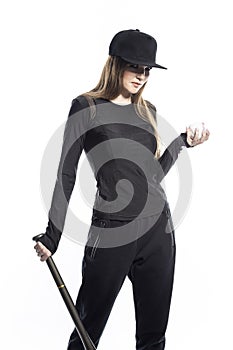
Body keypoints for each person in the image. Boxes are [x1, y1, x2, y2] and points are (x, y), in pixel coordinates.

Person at [34, 29, 210, 350]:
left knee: (153, 336)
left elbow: (151, 174)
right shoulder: (86, 107)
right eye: (135, 67)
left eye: (147, 71)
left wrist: (181, 142)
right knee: (87, 333)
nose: (141, 77)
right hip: (111, 234)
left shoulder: (148, 111)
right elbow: (66, 174)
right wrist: (52, 235)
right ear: (115, 64)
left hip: (158, 232)